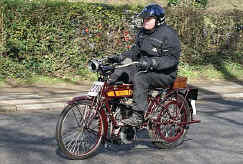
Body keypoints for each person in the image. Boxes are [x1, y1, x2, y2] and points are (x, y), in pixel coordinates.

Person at [108, 4, 181, 126]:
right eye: (144, 19)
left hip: (164, 74)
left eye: (148, 19)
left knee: (140, 78)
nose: (145, 22)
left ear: (158, 20)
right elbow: (134, 51)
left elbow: (172, 60)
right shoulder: (142, 33)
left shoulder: (169, 34)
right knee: (118, 72)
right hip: (143, 68)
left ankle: (138, 115)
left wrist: (152, 62)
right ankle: (114, 107)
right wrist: (120, 57)